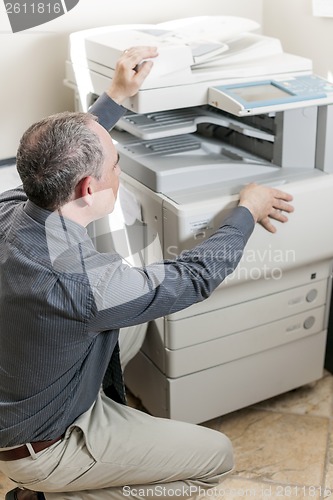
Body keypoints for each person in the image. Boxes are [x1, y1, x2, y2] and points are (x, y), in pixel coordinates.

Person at [0, 46, 294, 500]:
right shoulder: (84, 283)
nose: (121, 172)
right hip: (44, 447)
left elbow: (55, 162)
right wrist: (246, 212)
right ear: (87, 187)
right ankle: (58, 493)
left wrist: (115, 96)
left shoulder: (15, 206)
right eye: (117, 165)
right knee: (216, 459)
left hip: (25, 388)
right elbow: (194, 277)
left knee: (132, 327)